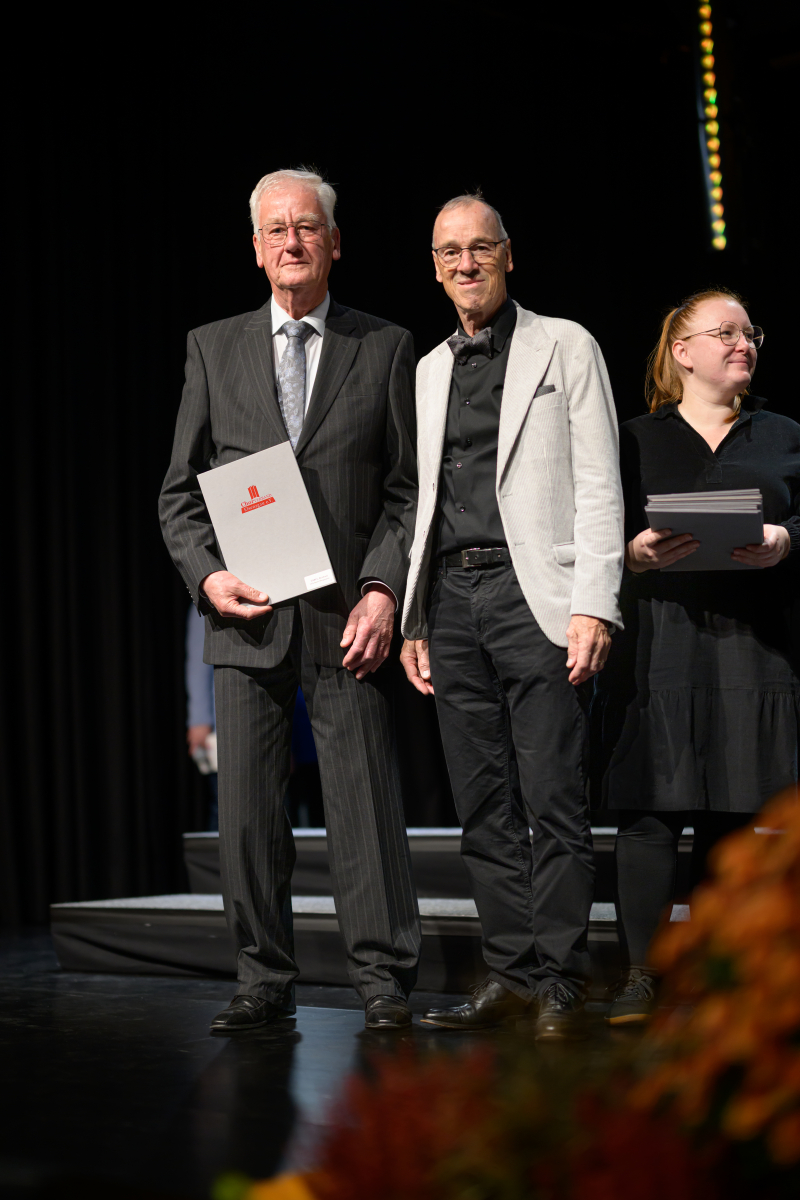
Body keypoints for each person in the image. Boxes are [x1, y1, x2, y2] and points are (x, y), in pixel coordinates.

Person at [160, 169, 421, 1034]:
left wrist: (383, 589)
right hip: (248, 616)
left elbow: (407, 491)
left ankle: (383, 980)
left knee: (365, 806)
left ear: (334, 243)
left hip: (350, 618)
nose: (292, 242)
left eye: (306, 227)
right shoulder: (212, 347)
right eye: (275, 230)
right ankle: (262, 980)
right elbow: (178, 496)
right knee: (246, 816)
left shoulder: (384, 346)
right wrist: (208, 577)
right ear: (256, 248)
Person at [400, 194, 624, 1040]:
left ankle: (562, 977)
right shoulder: (427, 369)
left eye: (480, 248)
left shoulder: (565, 344)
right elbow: (421, 501)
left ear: (508, 255)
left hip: (539, 595)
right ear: (434, 268)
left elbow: (600, 482)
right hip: (451, 598)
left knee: (553, 797)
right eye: (450, 252)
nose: (466, 263)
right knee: (483, 803)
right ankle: (513, 973)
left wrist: (595, 602)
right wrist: (415, 617)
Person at [594, 288, 800, 1025]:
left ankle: (718, 975)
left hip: (753, 645)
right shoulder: (633, 439)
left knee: (734, 814)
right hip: (661, 643)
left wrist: (785, 539)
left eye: (751, 333)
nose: (745, 344)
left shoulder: (782, 433)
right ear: (682, 351)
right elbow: (592, 528)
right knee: (650, 811)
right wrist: (633, 554)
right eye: (727, 333)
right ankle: (642, 976)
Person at [185, 604, 218, 831]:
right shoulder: (206, 601)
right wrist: (199, 720)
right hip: (221, 725)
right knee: (226, 804)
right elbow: (198, 662)